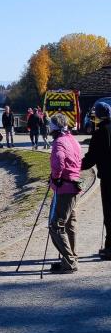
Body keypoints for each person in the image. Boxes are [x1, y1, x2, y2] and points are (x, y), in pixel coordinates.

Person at [48, 113, 82, 274]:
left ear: (54, 128)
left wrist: (55, 178)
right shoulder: (72, 140)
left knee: (56, 225)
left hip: (64, 188)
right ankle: (71, 257)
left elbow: (59, 160)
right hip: (74, 186)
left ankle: (69, 262)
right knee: (69, 224)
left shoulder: (59, 142)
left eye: (50, 126)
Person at [81, 102, 111, 259]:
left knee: (109, 212)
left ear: (98, 116)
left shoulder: (99, 134)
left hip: (108, 177)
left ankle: (110, 248)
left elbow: (91, 158)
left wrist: (75, 166)